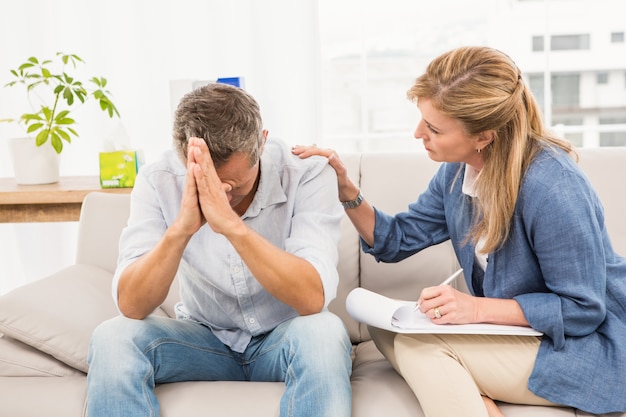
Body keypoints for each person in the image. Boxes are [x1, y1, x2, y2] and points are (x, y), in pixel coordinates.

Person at [293, 45, 626, 417]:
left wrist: (474, 308)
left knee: (420, 347)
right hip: (517, 337)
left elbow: (583, 310)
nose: (418, 133)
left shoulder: (554, 187)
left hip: (577, 347)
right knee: (387, 331)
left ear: (484, 135)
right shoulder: (458, 172)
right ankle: (477, 399)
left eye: (433, 128)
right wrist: (347, 192)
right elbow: (397, 239)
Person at [87, 82, 352, 417]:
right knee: (112, 337)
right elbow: (131, 304)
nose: (223, 196)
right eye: (210, 183)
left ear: (263, 142)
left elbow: (313, 298)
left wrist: (230, 226)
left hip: (284, 339)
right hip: (202, 341)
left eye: (234, 186)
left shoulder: (307, 173)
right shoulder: (159, 180)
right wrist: (181, 229)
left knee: (324, 331)